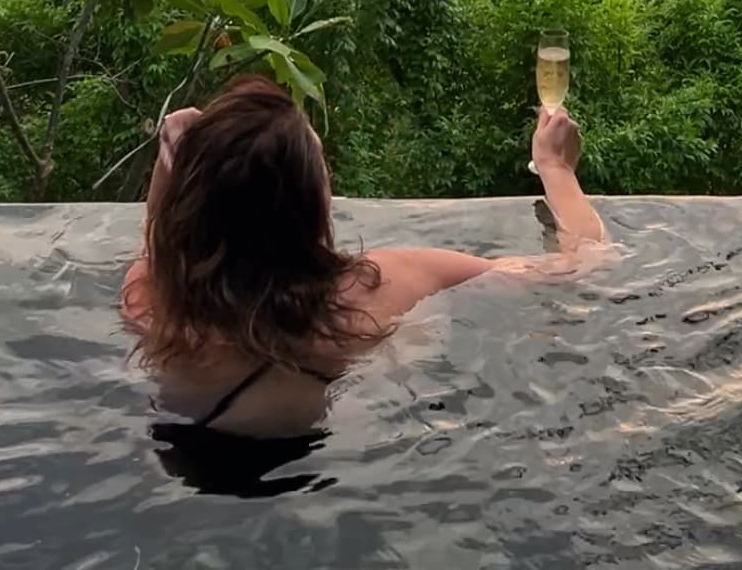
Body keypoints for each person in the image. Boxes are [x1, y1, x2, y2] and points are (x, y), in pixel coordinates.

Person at [122, 74, 608, 440]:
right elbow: (583, 264)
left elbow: (161, 242)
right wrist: (555, 166)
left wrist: (175, 172)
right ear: (314, 200)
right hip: (343, 456)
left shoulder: (155, 300)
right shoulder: (383, 284)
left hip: (192, 458)